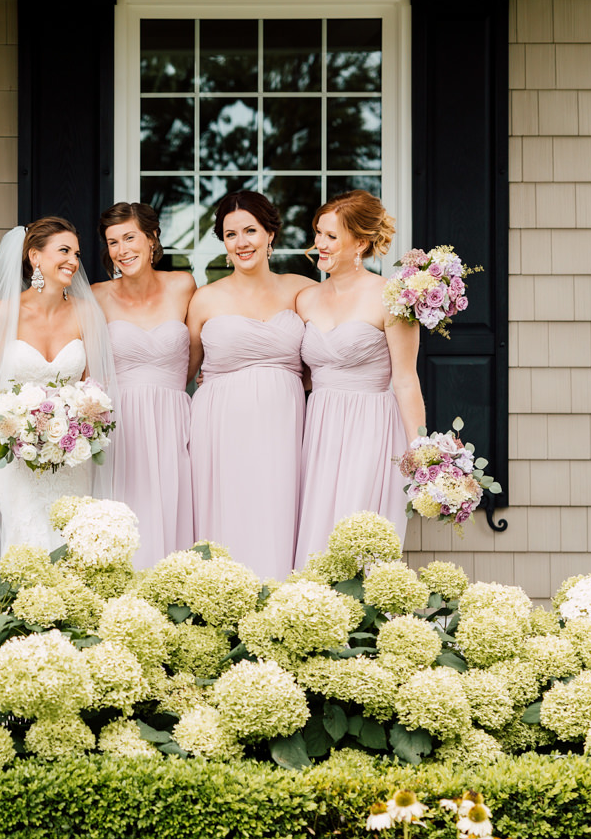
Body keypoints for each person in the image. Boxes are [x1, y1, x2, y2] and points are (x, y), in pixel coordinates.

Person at [294, 189, 425, 566]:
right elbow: (302, 375)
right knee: (318, 538)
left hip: (371, 429)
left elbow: (405, 379)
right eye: (318, 233)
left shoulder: (391, 297)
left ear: (361, 243)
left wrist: (421, 450)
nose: (319, 243)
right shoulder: (305, 298)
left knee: (358, 536)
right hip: (320, 428)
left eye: (331, 236)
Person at [186, 191, 313, 579]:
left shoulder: (301, 290)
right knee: (227, 518)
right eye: (230, 234)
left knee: (276, 513)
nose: (241, 242)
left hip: (283, 426)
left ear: (270, 234)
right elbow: (185, 370)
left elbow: (324, 356)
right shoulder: (204, 299)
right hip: (220, 426)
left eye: (250, 231)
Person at [0, 216, 116, 560]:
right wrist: (19, 428)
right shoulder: (4, 312)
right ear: (35, 257)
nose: (73, 261)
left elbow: (92, 387)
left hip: (71, 454)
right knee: (23, 535)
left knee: (69, 536)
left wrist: (77, 425)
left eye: (76, 254)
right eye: (64, 251)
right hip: (14, 450)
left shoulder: (86, 312)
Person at [91, 202, 195, 567]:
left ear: (152, 238)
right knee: (126, 518)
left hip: (173, 419)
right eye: (113, 242)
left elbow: (196, 354)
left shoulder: (183, 286)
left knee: (172, 510)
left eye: (130, 238)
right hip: (121, 424)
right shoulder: (97, 295)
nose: (122, 250)